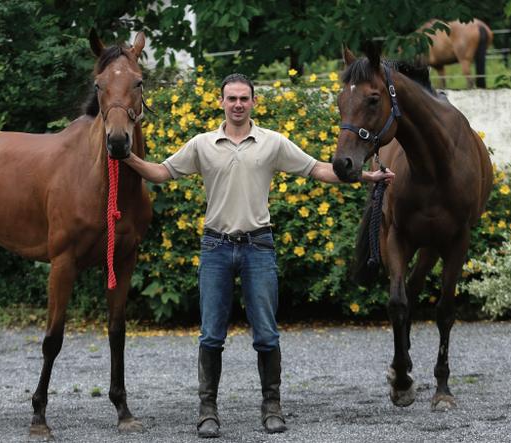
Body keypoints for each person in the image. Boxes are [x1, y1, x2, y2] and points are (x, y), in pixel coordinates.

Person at [123, 73, 394, 437]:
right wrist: (126, 157)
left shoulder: (271, 143)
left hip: (258, 247)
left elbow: (317, 169)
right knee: (211, 336)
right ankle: (207, 411)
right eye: (231, 98)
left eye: (243, 99)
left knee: (266, 334)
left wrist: (366, 178)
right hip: (216, 247)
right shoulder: (203, 144)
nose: (237, 104)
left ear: (253, 102)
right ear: (221, 102)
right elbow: (160, 173)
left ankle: (272, 406)